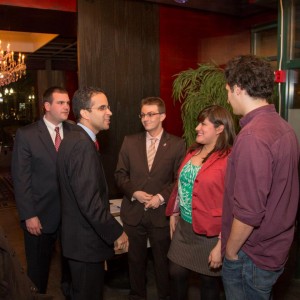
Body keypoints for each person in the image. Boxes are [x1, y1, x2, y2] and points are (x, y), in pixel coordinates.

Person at [221, 54, 300, 300]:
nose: (227, 97)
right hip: (274, 249)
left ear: (237, 88)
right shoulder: (283, 127)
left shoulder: (253, 136)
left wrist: (231, 253)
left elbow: (248, 213)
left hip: (250, 255)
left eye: (227, 90)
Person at [57, 87, 128, 300]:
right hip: (84, 244)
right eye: (102, 107)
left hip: (80, 242)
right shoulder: (81, 145)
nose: (110, 112)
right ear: (85, 113)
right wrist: (116, 232)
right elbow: (90, 203)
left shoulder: (74, 139)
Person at [115, 96, 186, 300]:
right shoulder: (130, 142)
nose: (145, 118)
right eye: (143, 115)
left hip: (160, 215)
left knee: (162, 264)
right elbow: (119, 174)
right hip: (134, 213)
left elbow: (179, 179)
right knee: (135, 262)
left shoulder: (177, 144)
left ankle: (164, 296)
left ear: (162, 116)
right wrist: (134, 192)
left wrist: (162, 198)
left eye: (151, 114)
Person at [165, 105, 235, 300]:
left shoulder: (229, 158)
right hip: (184, 229)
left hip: (211, 234)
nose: (197, 128)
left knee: (209, 284)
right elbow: (182, 183)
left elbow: (233, 203)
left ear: (220, 129)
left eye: (203, 124)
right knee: (175, 273)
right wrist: (175, 211)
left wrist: (222, 243)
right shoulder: (192, 151)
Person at [11, 86, 74, 294]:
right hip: (40, 216)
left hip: (70, 216)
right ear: (47, 106)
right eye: (61, 103)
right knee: (38, 272)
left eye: (67, 102)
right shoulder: (27, 134)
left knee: (71, 270)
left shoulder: (74, 131)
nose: (66, 106)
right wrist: (29, 215)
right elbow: (21, 179)